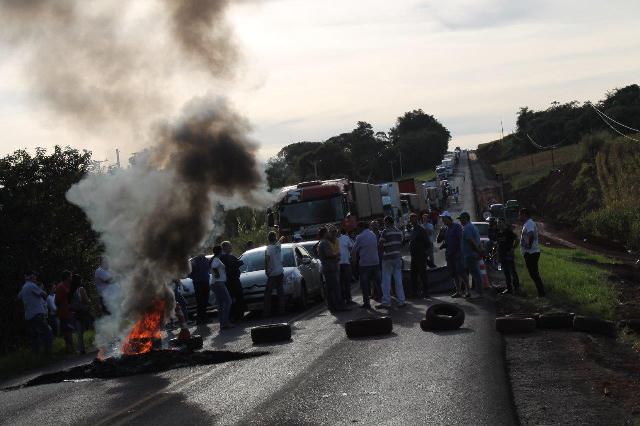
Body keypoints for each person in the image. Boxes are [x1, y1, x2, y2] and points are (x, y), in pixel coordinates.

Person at [17, 271, 52, 355]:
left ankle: (36, 355)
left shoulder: (24, 287)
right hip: (37, 313)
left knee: (34, 336)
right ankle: (48, 353)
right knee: (47, 332)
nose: (36, 278)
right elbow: (44, 294)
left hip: (28, 315)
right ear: (31, 277)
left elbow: (18, 297)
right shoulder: (32, 285)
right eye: (35, 276)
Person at [438, 211, 469, 298]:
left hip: (457, 254)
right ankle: (458, 291)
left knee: (462, 272)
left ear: (448, 218)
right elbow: (440, 241)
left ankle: (467, 290)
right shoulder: (446, 229)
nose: (443, 221)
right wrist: (441, 235)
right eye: (442, 219)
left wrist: (460, 252)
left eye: (444, 219)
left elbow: (460, 240)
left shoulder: (457, 227)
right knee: (454, 274)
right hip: (449, 255)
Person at [378, 216, 406, 309]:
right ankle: (401, 301)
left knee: (386, 281)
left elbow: (380, 245)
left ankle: (386, 302)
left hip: (387, 258)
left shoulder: (385, 231)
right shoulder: (399, 232)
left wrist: (381, 255)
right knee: (398, 281)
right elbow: (401, 243)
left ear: (386, 222)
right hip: (397, 257)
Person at [318, 226, 347, 313]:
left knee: (330, 289)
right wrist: (336, 255)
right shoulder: (324, 243)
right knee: (335, 288)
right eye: (327, 232)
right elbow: (329, 254)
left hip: (330, 268)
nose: (329, 233)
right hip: (330, 268)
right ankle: (338, 306)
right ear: (324, 233)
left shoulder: (324, 242)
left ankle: (333, 306)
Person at [351, 222, 380, 309]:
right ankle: (382, 299)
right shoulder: (373, 235)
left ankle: (367, 303)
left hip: (365, 264)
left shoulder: (360, 237)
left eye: (358, 228)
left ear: (361, 227)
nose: (357, 230)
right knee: (377, 282)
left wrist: (354, 262)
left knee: (365, 284)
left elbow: (353, 250)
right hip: (375, 262)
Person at [519, 208, 546, 297]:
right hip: (530, 253)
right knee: (533, 273)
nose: (519, 216)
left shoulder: (529, 223)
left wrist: (528, 246)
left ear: (525, 215)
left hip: (531, 253)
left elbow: (530, 234)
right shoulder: (527, 223)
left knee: (534, 273)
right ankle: (541, 292)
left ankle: (541, 293)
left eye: (520, 214)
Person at [459, 212, 484, 298]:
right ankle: (476, 291)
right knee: (474, 273)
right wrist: (480, 250)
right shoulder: (473, 227)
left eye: (461, 219)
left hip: (470, 254)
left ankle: (479, 292)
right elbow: (478, 240)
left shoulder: (467, 228)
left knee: (476, 274)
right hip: (472, 254)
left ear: (465, 219)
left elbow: (471, 241)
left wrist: (477, 251)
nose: (460, 221)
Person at [219, 241, 246, 322]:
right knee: (233, 299)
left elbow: (238, 262)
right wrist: (237, 264)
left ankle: (237, 316)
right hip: (230, 282)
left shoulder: (229, 257)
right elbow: (230, 267)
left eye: (230, 246)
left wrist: (238, 263)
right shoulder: (223, 257)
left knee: (237, 298)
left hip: (233, 281)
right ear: (224, 248)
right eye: (229, 246)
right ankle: (234, 316)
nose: (231, 248)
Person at [210, 245, 234, 329]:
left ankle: (222, 323)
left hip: (215, 283)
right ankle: (225, 322)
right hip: (219, 283)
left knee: (220, 303)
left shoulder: (215, 259)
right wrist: (217, 276)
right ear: (220, 251)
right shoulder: (216, 259)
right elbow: (214, 267)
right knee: (228, 301)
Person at [264, 231, 286, 317]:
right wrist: (280, 236)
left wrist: (266, 270)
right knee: (280, 292)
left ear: (268, 239)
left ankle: (266, 312)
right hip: (280, 271)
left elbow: (267, 260)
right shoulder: (278, 245)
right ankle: (282, 311)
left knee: (267, 293)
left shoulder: (268, 248)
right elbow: (281, 239)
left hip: (272, 273)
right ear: (275, 238)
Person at [408, 213, 430, 298]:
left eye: (413, 219)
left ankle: (426, 292)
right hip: (414, 256)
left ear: (416, 219)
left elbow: (427, 243)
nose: (411, 221)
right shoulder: (413, 229)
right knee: (413, 275)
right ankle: (414, 292)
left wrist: (426, 254)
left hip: (420, 255)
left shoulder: (421, 229)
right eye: (411, 219)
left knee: (423, 274)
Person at [69, 274, 92, 354]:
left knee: (79, 331)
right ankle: (103, 342)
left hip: (74, 313)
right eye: (81, 279)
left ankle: (80, 349)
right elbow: (85, 300)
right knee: (91, 325)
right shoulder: (81, 289)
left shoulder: (70, 290)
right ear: (79, 280)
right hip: (83, 312)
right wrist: (89, 301)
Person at [497, 218, 520, 295]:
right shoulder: (499, 233)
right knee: (506, 272)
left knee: (512, 271)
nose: (499, 224)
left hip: (508, 254)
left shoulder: (508, 231)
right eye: (498, 223)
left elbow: (517, 239)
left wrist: (513, 248)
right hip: (502, 254)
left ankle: (517, 288)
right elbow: (499, 244)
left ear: (504, 223)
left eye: (500, 222)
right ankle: (509, 288)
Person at [189, 253, 212, 325]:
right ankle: (200, 319)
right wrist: (195, 277)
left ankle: (203, 318)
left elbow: (209, 269)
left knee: (204, 301)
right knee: (200, 301)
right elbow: (189, 273)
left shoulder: (205, 259)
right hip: (198, 283)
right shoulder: (193, 261)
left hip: (205, 282)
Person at [55, 270, 75, 353]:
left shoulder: (67, 285)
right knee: (67, 331)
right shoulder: (61, 286)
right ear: (67, 277)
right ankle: (70, 349)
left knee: (69, 330)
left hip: (68, 312)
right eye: (70, 276)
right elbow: (57, 301)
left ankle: (70, 349)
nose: (71, 277)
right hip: (64, 313)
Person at [338, 228, 356, 305]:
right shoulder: (331, 240)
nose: (335, 232)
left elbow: (351, 248)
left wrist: (352, 258)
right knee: (340, 283)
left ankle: (348, 299)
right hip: (337, 265)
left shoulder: (345, 237)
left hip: (346, 263)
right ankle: (342, 300)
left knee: (347, 282)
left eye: (336, 230)